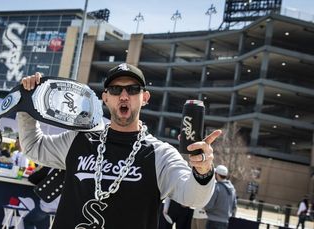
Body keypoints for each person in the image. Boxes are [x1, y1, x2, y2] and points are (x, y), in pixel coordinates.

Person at [19, 63, 222, 229]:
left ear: (144, 98)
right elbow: (33, 147)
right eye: (116, 89)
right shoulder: (80, 139)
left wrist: (203, 171)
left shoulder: (160, 154)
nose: (124, 96)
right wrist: (27, 104)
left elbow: (194, 198)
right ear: (105, 98)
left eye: (133, 89)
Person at [204, 165, 237, 229]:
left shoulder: (217, 187)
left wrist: (204, 207)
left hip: (213, 221)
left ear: (217, 174)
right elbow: (234, 207)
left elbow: (209, 205)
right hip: (225, 222)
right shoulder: (232, 189)